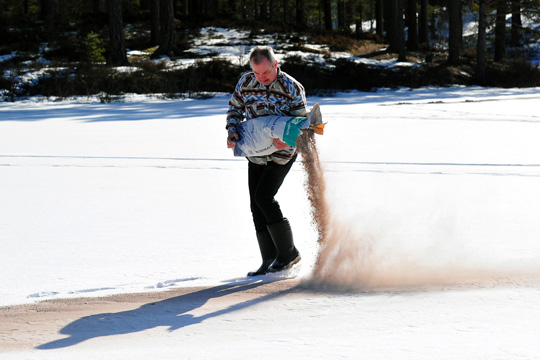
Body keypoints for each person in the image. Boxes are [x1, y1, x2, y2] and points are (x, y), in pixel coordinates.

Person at [226, 45, 307, 276]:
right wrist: (232, 131)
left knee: (264, 197)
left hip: (283, 153)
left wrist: (291, 139)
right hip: (256, 151)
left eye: (266, 73)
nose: (261, 79)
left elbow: (302, 122)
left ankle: (289, 253)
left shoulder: (292, 87)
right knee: (255, 203)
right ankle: (269, 260)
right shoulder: (246, 82)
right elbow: (235, 108)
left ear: (275, 65)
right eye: (257, 74)